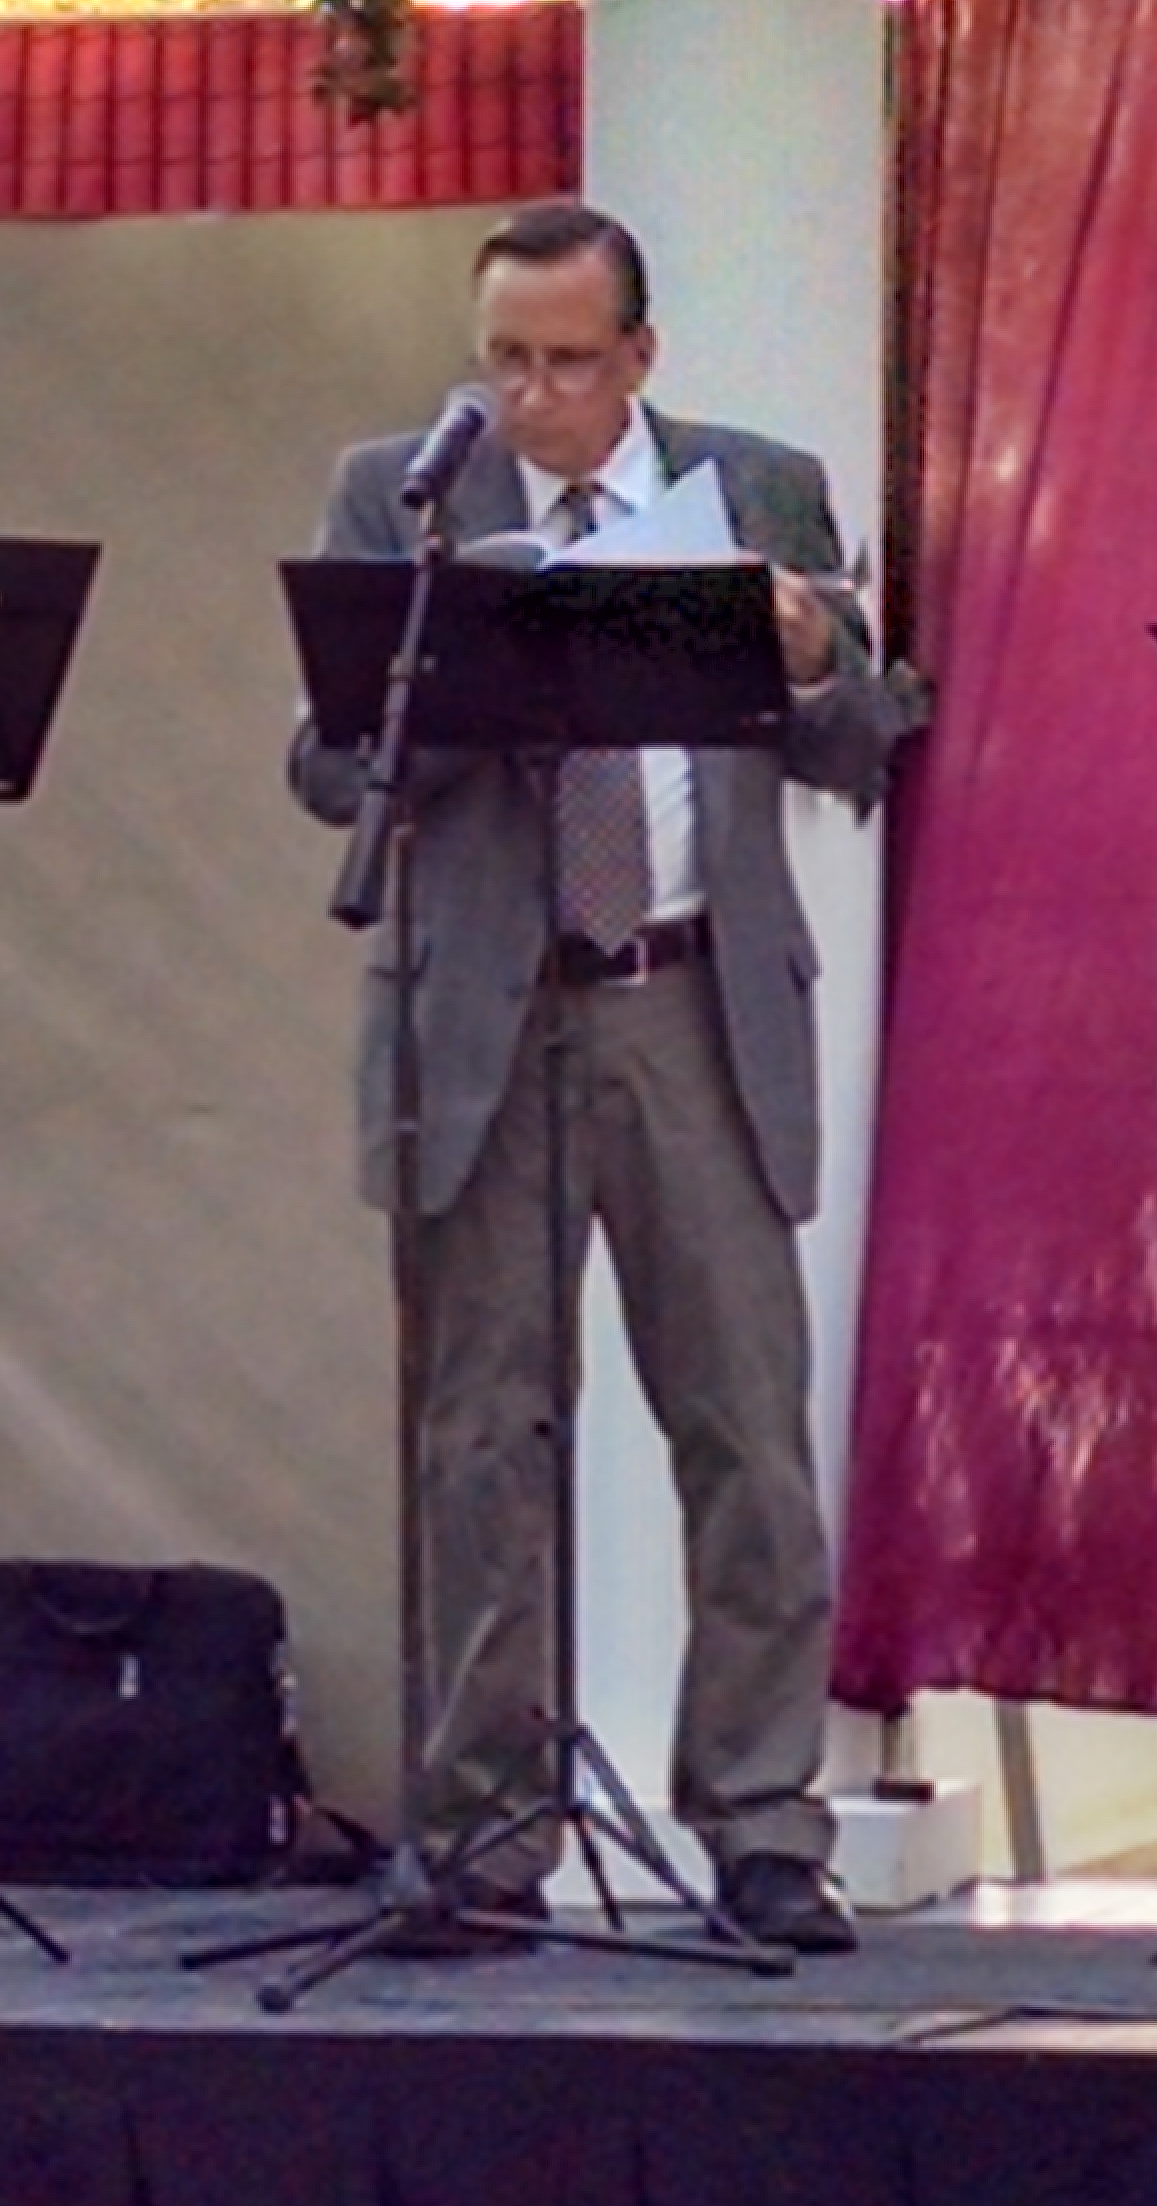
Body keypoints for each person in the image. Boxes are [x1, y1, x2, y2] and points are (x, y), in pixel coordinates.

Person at [290, 202, 903, 1955]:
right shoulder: (405, 491)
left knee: (745, 1428)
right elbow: (327, 770)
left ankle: (764, 1823)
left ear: (640, 356)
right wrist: (451, 675)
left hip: (689, 998)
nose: (534, 395)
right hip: (486, 1009)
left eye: (569, 361)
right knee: (481, 1431)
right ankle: (486, 1827)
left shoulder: (757, 488)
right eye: (505, 359)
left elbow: (868, 741)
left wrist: (810, 656)